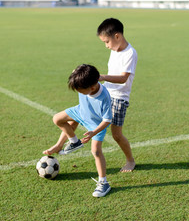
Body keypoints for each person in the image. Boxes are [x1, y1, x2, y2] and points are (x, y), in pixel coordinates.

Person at [43, 64, 112, 197]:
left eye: (80, 91)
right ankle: (74, 141)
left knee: (96, 151)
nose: (78, 92)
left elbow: (107, 120)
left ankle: (103, 183)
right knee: (57, 119)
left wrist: (94, 132)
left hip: (96, 124)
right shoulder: (85, 82)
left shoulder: (104, 97)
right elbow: (78, 71)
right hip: (81, 111)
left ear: (92, 87)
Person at [97, 18, 138, 173]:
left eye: (107, 42)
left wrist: (102, 77)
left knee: (117, 135)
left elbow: (122, 78)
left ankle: (130, 161)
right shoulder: (115, 50)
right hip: (107, 93)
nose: (107, 46)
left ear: (117, 36)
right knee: (83, 112)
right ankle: (71, 141)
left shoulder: (130, 53)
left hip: (120, 98)